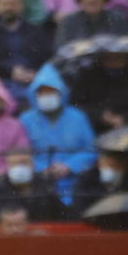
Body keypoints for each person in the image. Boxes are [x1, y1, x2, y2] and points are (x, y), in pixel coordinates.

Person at [19, 62, 94, 205]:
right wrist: (42, 169)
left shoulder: (78, 117)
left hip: (76, 183)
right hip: (39, 185)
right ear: (35, 94)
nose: (47, 96)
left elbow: (91, 149)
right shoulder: (25, 119)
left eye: (51, 91)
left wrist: (69, 166)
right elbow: (21, 153)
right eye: (42, 92)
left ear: (61, 93)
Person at [0, 148, 62, 222]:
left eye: (24, 163)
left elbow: (58, 214)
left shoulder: (45, 183)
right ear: (8, 166)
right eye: (15, 164)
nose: (20, 167)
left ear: (32, 164)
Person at [56, 0, 128, 48]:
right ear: (80, 2)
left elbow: (125, 45)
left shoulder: (117, 18)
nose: (91, 0)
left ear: (104, 0)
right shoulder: (69, 21)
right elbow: (61, 48)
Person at [71, 147, 127, 217]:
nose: (112, 169)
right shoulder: (86, 179)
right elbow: (79, 205)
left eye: (117, 166)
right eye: (109, 165)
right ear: (99, 164)